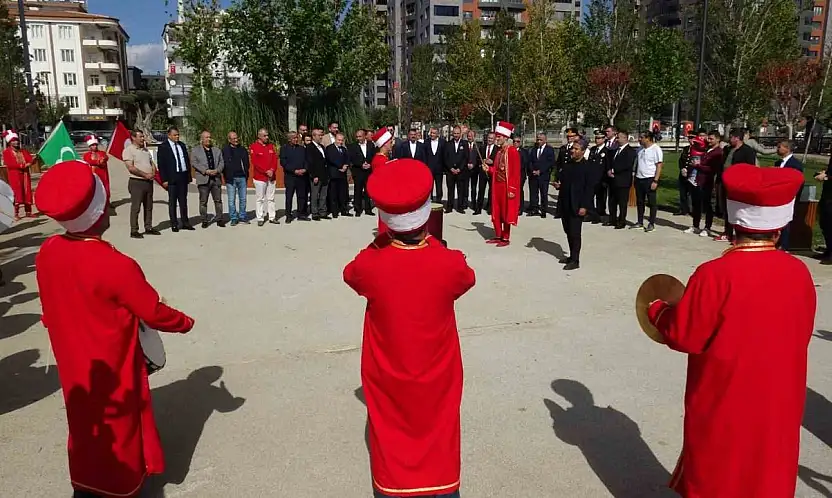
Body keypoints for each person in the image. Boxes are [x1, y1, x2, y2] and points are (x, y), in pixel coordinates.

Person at [644, 163, 814, 498]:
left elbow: (685, 335)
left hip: (726, 395)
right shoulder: (799, 272)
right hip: (779, 395)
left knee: (720, 469)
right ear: (779, 227)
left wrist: (656, 310)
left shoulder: (714, 274)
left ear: (734, 221)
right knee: (768, 467)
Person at [33, 160, 195, 498]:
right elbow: (153, 311)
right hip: (110, 359)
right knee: (119, 425)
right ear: (99, 212)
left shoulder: (48, 251)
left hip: (72, 358)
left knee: (83, 422)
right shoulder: (115, 264)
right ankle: (121, 487)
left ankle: (85, 482)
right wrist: (185, 322)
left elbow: (49, 305)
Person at [343, 158, 475, 498]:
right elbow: (466, 278)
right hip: (436, 376)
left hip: (389, 376)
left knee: (391, 441)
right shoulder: (447, 262)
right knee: (440, 439)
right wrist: (432, 243)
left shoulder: (371, 263)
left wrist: (380, 244)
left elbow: (351, 274)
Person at [557, 141, 595, 271]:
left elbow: (589, 189)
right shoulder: (568, 165)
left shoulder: (588, 167)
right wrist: (559, 185)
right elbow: (565, 182)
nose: (573, 151)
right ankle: (571, 255)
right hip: (566, 203)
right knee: (568, 231)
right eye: (572, 148)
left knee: (575, 232)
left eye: (576, 149)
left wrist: (584, 206)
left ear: (583, 151)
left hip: (578, 205)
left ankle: (575, 260)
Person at [716, 129, 758, 242]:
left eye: (731, 137)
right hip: (724, 181)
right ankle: (727, 232)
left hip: (738, 184)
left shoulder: (747, 151)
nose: (729, 140)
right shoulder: (727, 149)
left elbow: (750, 169)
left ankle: (739, 235)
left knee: (738, 210)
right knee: (726, 208)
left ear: (737, 138)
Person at [485, 122, 520, 247]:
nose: (497, 139)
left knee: (506, 212)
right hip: (497, 186)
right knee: (497, 211)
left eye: (499, 137)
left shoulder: (512, 151)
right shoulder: (499, 152)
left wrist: (512, 189)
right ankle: (498, 234)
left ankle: (505, 237)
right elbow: (497, 170)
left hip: (506, 187)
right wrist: (488, 169)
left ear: (505, 137)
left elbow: (515, 172)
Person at [122, 130, 161, 239]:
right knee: (136, 207)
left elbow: (151, 163)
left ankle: (148, 227)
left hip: (148, 182)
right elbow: (131, 168)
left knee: (149, 206)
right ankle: (134, 230)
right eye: (140, 136)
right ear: (133, 138)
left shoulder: (145, 150)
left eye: (143, 136)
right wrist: (145, 175)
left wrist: (153, 172)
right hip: (137, 182)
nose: (143, 138)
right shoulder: (128, 151)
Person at [685, 131, 722, 237]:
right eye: (708, 138)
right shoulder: (706, 149)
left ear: (718, 139)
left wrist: (698, 166)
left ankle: (707, 227)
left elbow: (712, 169)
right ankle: (695, 225)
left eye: (711, 139)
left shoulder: (718, 153)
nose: (708, 141)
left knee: (707, 205)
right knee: (696, 204)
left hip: (707, 181)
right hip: (697, 179)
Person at [157, 126, 193, 232]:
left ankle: (185, 222)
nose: (177, 136)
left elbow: (186, 160)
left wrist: (188, 177)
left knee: (183, 201)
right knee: (172, 202)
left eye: (178, 135)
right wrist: (164, 179)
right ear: (169, 135)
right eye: (174, 135)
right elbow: (161, 164)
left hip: (182, 176)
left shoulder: (182, 145)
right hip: (171, 177)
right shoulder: (163, 147)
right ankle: (174, 223)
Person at [190, 130, 225, 229]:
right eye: (206, 137)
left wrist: (217, 170)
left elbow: (222, 162)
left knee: (218, 200)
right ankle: (204, 220)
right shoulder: (196, 150)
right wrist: (205, 171)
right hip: (203, 178)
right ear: (201, 139)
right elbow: (194, 163)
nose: (208, 139)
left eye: (209, 137)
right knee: (203, 201)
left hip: (216, 179)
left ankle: (219, 219)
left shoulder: (217, 150)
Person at [774, 140, 804, 251]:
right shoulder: (778, 163)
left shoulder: (795, 165)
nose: (777, 149)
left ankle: (784, 245)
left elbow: (797, 182)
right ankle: (775, 242)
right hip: (777, 196)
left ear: (787, 149)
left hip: (788, 197)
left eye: (779, 147)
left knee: (785, 221)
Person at [633, 131, 663, 232]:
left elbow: (659, 165)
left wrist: (655, 180)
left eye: (641, 137)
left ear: (648, 138)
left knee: (651, 202)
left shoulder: (656, 149)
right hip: (639, 178)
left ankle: (651, 223)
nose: (639, 139)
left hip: (650, 178)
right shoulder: (640, 149)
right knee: (640, 201)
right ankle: (640, 221)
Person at [2, 130, 34, 219]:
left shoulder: (23, 151)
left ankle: (28, 212)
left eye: (16, 140)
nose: (16, 142)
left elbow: (29, 159)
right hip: (14, 175)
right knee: (16, 193)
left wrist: (32, 161)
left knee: (27, 192)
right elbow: (10, 164)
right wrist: (23, 165)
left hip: (25, 175)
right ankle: (15, 213)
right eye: (13, 140)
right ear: (10, 142)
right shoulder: (6, 152)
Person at [250, 128, 279, 226]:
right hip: (260, 177)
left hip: (271, 177)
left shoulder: (271, 146)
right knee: (260, 198)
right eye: (264, 136)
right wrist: (265, 171)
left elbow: (275, 160)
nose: (267, 137)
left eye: (267, 135)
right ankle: (260, 217)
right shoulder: (254, 147)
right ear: (259, 136)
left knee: (271, 198)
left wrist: (272, 170)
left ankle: (272, 217)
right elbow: (255, 162)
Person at [280, 131, 309, 223]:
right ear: (289, 139)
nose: (296, 139)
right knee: (289, 197)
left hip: (301, 176)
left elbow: (306, 160)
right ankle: (288, 215)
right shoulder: (284, 149)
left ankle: (301, 214)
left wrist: (305, 169)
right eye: (294, 138)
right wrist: (294, 171)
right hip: (290, 177)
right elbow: (283, 163)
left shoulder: (302, 149)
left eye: (297, 138)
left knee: (301, 196)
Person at [221, 131, 250, 226]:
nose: (236, 140)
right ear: (229, 140)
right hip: (231, 178)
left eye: (237, 138)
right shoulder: (225, 150)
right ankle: (233, 217)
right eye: (233, 138)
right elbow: (223, 164)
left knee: (243, 199)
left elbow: (247, 163)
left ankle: (242, 216)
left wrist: (245, 173)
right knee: (231, 200)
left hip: (242, 177)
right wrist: (226, 175)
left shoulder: (242, 149)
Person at [348, 129, 375, 217]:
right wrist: (361, 164)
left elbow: (373, 156)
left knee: (368, 191)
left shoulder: (371, 145)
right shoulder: (352, 146)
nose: (358, 138)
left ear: (365, 136)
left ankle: (368, 209)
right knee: (358, 191)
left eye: (360, 136)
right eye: (357, 137)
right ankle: (357, 209)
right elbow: (352, 158)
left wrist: (370, 164)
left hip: (368, 171)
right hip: (358, 171)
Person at [587, 131, 611, 224]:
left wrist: (605, 180)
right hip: (592, 179)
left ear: (604, 139)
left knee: (601, 199)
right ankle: (592, 214)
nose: (597, 140)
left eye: (599, 138)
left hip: (601, 179)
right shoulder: (593, 149)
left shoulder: (607, 151)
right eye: (596, 138)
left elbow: (607, 166)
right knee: (590, 197)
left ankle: (600, 215)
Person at [529, 133, 556, 218]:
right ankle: (534, 209)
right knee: (534, 193)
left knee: (543, 193)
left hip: (543, 176)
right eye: (538, 139)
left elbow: (550, 162)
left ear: (545, 140)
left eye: (541, 139)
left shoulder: (549, 150)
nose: (539, 141)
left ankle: (544, 210)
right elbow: (530, 161)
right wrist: (532, 170)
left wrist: (540, 171)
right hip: (533, 175)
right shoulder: (533, 149)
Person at [326, 132, 352, 218]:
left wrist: (345, 165)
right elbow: (331, 159)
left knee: (343, 193)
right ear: (335, 139)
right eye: (339, 140)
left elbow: (348, 158)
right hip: (334, 174)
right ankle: (335, 212)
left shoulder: (344, 149)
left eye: (342, 140)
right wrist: (340, 166)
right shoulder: (330, 148)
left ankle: (344, 210)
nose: (340, 142)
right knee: (333, 194)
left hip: (342, 174)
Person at [443, 126, 469, 214]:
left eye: (458, 133)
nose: (456, 135)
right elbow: (445, 157)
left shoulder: (464, 144)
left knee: (460, 190)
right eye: (455, 133)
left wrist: (459, 168)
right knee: (450, 190)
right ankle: (449, 207)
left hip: (460, 172)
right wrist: (451, 168)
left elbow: (466, 158)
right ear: (452, 134)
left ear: (460, 134)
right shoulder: (448, 144)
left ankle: (460, 207)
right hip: (450, 171)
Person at [307, 128, 330, 221]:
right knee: (315, 194)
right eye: (319, 135)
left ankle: (323, 212)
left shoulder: (322, 146)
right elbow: (310, 162)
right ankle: (315, 213)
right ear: (313, 136)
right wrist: (313, 175)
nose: (321, 137)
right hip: (316, 175)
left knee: (323, 194)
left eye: (321, 135)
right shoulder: (310, 147)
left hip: (324, 174)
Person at [82, 135, 111, 205]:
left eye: (95, 145)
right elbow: (88, 161)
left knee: (104, 189)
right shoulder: (86, 155)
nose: (94, 146)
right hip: (93, 175)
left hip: (102, 174)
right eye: (92, 145)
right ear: (89, 146)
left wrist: (103, 159)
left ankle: (106, 203)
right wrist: (97, 162)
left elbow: (105, 158)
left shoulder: (102, 153)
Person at [476, 131, 498, 216]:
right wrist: (482, 162)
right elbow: (478, 158)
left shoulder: (497, 149)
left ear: (494, 139)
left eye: (491, 138)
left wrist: (492, 162)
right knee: (481, 190)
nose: (490, 140)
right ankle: (478, 208)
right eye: (489, 138)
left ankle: (490, 208)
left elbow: (498, 161)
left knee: (491, 190)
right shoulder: (482, 147)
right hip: (483, 172)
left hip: (492, 172)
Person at [816, 156, 832, 264]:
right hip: (827, 194)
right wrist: (825, 172)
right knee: (824, 223)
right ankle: (829, 249)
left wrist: (826, 176)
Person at [425, 127, 446, 202]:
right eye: (431, 133)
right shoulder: (426, 142)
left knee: (439, 186)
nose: (432, 134)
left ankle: (439, 201)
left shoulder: (443, 142)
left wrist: (444, 168)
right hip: (429, 168)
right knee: (429, 186)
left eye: (434, 133)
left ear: (438, 134)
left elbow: (445, 155)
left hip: (439, 169)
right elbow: (425, 155)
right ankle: (429, 201)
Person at [465, 130, 482, 212]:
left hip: (474, 170)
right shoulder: (464, 144)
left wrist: (474, 164)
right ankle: (464, 203)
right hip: (465, 169)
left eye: (471, 136)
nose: (469, 137)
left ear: (474, 137)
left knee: (474, 187)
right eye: (468, 136)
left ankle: (473, 203)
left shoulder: (478, 146)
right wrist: (466, 164)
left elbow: (479, 158)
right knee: (465, 187)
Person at [513, 136, 528, 216]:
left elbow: (524, 163)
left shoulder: (523, 152)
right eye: (514, 141)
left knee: (519, 191)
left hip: (520, 175)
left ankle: (520, 208)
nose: (516, 143)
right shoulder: (511, 150)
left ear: (520, 142)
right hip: (511, 175)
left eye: (518, 141)